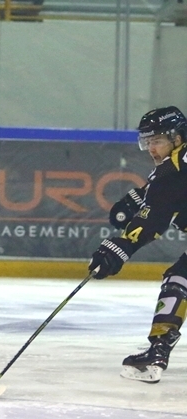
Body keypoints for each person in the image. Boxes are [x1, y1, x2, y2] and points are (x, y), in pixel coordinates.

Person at [89, 106, 187, 384]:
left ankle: (157, 351)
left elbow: (153, 218)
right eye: (147, 141)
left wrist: (117, 249)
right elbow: (162, 189)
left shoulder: (174, 172)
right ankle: (158, 350)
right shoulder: (176, 166)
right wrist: (136, 197)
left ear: (177, 137)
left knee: (180, 278)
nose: (151, 149)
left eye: (156, 140)